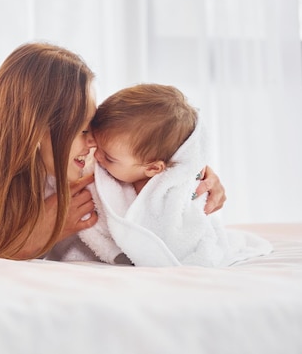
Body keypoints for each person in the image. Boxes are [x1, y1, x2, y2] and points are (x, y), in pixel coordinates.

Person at [0, 43, 226, 262]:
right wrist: (29, 241)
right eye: (82, 131)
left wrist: (193, 175)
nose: (93, 143)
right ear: (37, 130)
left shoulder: (74, 164)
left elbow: (144, 165)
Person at [49, 83, 268, 267]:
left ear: (153, 168)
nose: (96, 157)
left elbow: (181, 236)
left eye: (109, 157)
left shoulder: (172, 191)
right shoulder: (99, 166)